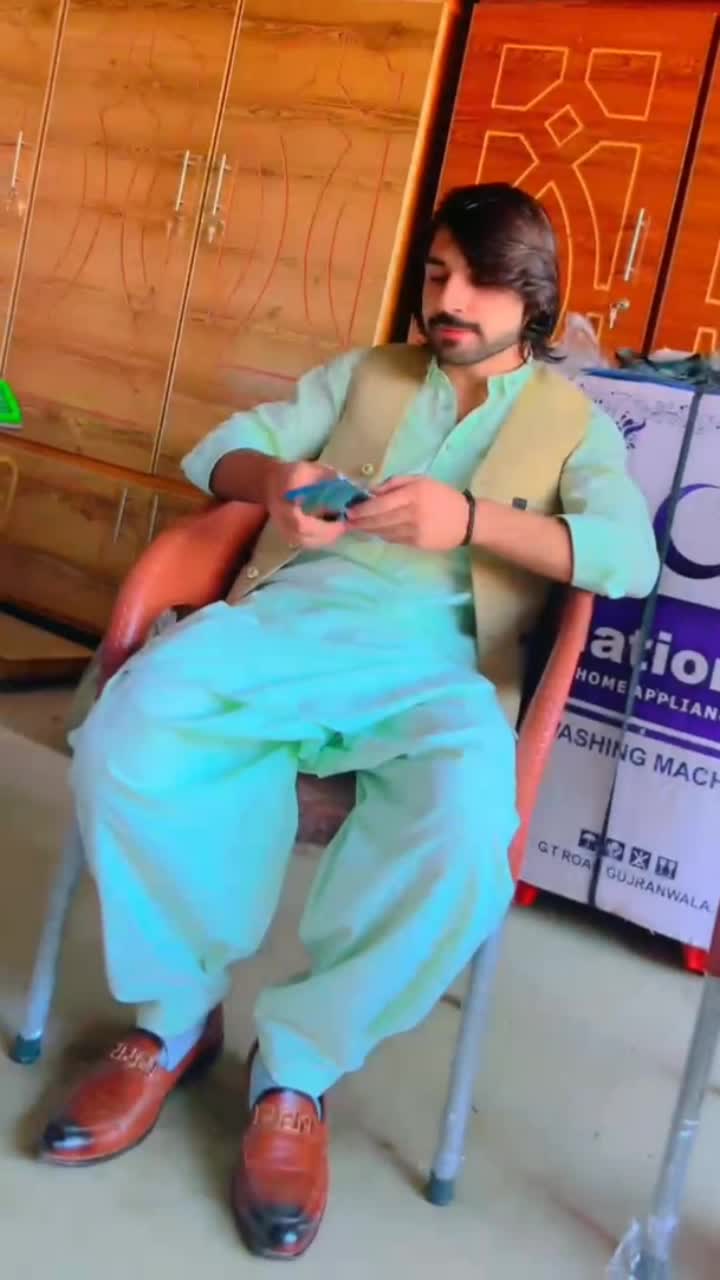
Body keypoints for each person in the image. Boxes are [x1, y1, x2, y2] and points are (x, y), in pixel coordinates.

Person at [39, 184, 659, 1260]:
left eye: (477, 282)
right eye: (436, 273)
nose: (447, 300)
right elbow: (220, 452)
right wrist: (280, 481)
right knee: (129, 735)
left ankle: (297, 1071)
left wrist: (470, 519)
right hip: (288, 621)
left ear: (533, 298)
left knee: (466, 829)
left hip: (436, 665)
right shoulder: (366, 375)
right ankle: (176, 1019)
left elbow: (626, 556)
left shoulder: (574, 426)